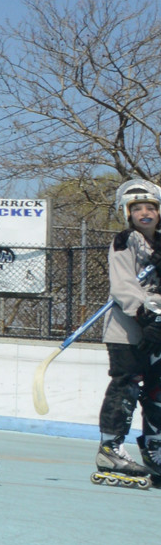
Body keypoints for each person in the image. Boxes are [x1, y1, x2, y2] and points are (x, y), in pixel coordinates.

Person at [97, 179, 161, 482]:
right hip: (127, 330)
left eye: (151, 207)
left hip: (158, 327)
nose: (145, 213)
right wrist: (146, 313)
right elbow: (123, 287)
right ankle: (110, 450)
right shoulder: (124, 241)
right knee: (127, 387)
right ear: (127, 213)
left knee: (157, 390)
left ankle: (154, 448)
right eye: (138, 209)